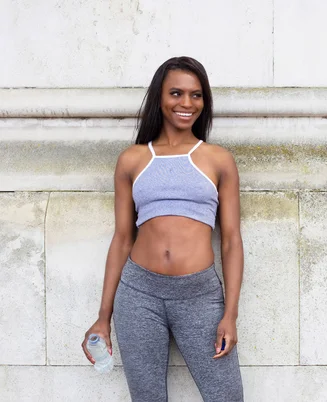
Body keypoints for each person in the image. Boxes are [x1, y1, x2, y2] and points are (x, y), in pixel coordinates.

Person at [81, 56, 244, 402]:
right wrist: (102, 318)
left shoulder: (218, 160)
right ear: (159, 97)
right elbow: (123, 238)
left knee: (226, 397)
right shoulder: (132, 159)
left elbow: (230, 241)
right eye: (176, 93)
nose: (186, 103)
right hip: (139, 293)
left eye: (196, 95)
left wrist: (230, 313)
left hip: (200, 296)